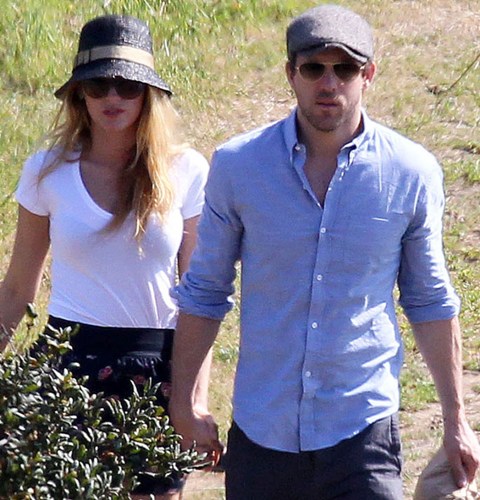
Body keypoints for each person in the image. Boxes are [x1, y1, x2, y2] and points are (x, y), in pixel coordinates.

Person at [168, 4, 480, 499]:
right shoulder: (239, 166)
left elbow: (430, 300)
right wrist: (185, 404)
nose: (329, 83)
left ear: (368, 75)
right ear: (291, 73)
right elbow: (204, 291)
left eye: (345, 69)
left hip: (362, 428)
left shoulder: (411, 172)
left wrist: (456, 420)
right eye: (314, 68)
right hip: (263, 432)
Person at [0, 14, 210, 499]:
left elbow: (200, 298)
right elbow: (16, 289)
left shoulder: (187, 171)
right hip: (66, 366)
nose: (112, 97)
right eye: (98, 85)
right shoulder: (46, 172)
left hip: (157, 368)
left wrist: (193, 400)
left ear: (148, 95)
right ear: (79, 95)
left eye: (127, 86)